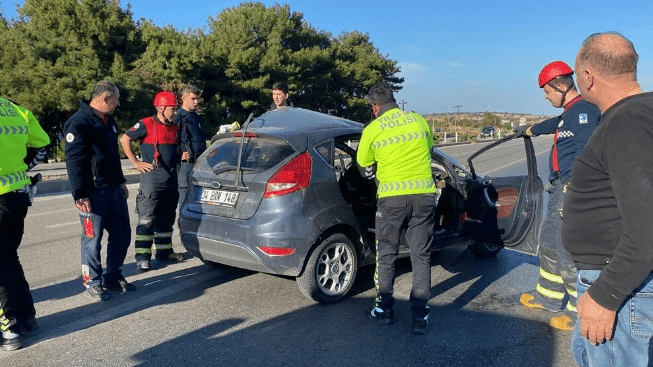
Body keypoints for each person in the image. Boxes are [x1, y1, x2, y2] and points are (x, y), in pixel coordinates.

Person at [562, 32, 653, 366]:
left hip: (620, 285)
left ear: (588, 76)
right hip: (623, 281)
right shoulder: (641, 114)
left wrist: (606, 295)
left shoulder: (626, 122)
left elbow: (647, 227)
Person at [515, 61, 600, 331]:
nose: (545, 95)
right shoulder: (569, 113)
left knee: (568, 252)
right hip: (560, 188)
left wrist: (575, 186)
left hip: (572, 188)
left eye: (547, 90)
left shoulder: (585, 111)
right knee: (549, 244)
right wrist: (531, 130)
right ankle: (548, 298)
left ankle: (581, 314)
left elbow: (588, 152)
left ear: (561, 86)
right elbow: (557, 123)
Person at [357, 82, 437, 335]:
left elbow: (364, 168)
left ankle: (384, 310)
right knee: (421, 257)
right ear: (394, 99)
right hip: (424, 197)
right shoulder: (418, 120)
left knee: (387, 255)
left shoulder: (373, 129)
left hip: (392, 200)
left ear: (374, 106)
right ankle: (420, 318)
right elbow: (429, 150)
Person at [64, 81, 136, 301]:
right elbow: (74, 161)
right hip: (92, 193)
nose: (118, 103)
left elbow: (112, 155)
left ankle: (112, 276)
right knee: (92, 240)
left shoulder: (108, 121)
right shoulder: (79, 123)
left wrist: (121, 181)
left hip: (113, 189)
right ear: (106, 98)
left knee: (122, 235)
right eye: (116, 99)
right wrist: (79, 193)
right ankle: (93, 282)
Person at [0, 97, 49, 349]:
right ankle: (27, 318)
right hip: (17, 196)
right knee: (9, 257)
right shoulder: (16, 109)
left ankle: (9, 330)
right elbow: (42, 145)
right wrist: (21, 167)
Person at [120, 91, 184, 272]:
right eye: (173, 108)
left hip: (171, 177)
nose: (175, 112)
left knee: (167, 217)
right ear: (162, 108)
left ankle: (164, 252)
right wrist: (136, 163)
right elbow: (124, 139)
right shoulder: (146, 123)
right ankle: (142, 258)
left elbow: (173, 149)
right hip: (152, 178)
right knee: (147, 219)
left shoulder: (174, 126)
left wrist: (181, 155)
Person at [175, 85, 206, 204]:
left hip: (198, 161)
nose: (197, 102)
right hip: (185, 164)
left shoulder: (196, 117)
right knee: (184, 199)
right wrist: (180, 152)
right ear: (183, 98)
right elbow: (172, 138)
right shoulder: (178, 116)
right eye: (193, 99)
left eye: (197, 98)